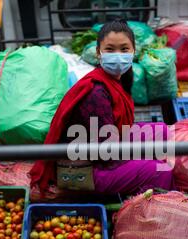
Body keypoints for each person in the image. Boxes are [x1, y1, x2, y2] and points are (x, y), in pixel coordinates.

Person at [30, 19, 174, 195]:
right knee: (159, 169)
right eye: (110, 49)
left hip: (106, 147)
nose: (118, 55)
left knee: (161, 131)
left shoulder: (119, 80)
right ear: (99, 53)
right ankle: (144, 210)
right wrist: (142, 154)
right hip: (84, 169)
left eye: (124, 49)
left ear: (133, 52)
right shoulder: (97, 93)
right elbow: (106, 155)